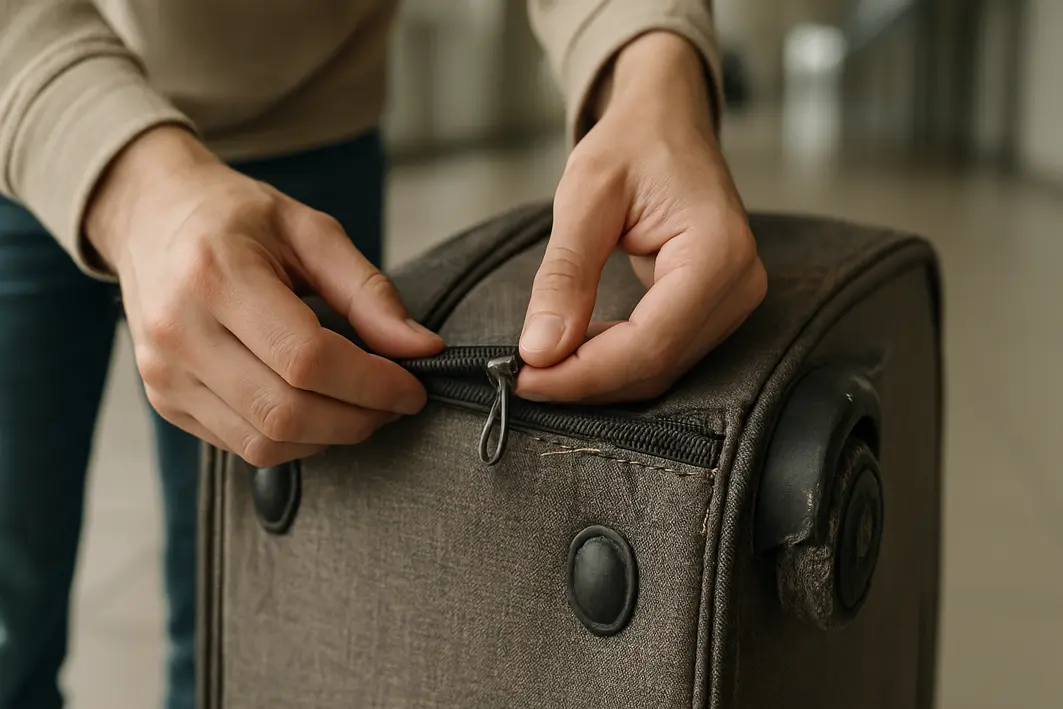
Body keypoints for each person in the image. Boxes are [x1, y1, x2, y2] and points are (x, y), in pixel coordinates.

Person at [0, 1, 767, 707]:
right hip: (18, 87)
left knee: (241, 637)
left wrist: (650, 62)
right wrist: (124, 178)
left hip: (306, 127)